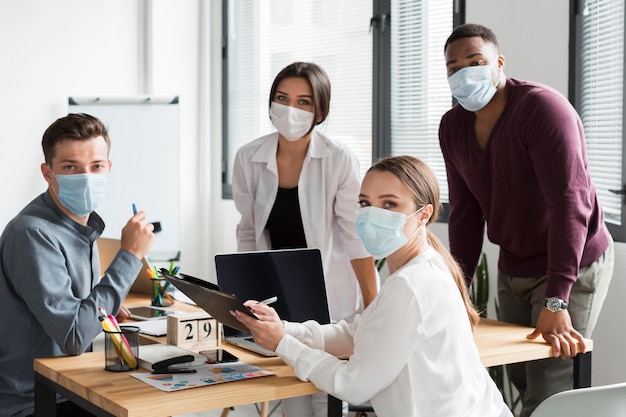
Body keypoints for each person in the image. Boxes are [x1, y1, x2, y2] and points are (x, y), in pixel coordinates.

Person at [232, 155, 512, 417]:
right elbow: (359, 333)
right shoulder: (421, 267)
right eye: (365, 203)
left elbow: (354, 385)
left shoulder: (411, 284)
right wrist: (284, 329)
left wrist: (282, 344)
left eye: (389, 204)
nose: (372, 214)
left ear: (424, 214)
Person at [439, 23, 615, 417]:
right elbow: (465, 215)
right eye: (452, 68)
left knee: (550, 388)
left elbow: (570, 205)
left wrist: (557, 298)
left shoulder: (543, 110)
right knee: (518, 372)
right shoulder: (452, 127)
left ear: (499, 63)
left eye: (475, 62)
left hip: (574, 262)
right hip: (515, 263)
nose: (463, 73)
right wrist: (458, 291)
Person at [232, 62, 378, 417]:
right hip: (275, 292)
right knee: (290, 393)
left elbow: (355, 238)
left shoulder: (338, 159)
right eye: (282, 99)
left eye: (303, 102)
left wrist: (373, 308)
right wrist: (244, 296)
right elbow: (249, 232)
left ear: (320, 111)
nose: (290, 110)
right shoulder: (249, 157)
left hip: (328, 293)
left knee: (328, 394)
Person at [0, 113, 155, 417]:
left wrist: (100, 310)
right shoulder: (34, 233)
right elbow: (74, 336)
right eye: (70, 167)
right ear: (48, 173)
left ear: (108, 169)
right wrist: (130, 256)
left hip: (67, 385)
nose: (86, 177)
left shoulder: (81, 225)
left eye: (96, 167)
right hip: (36, 401)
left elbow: (72, 312)